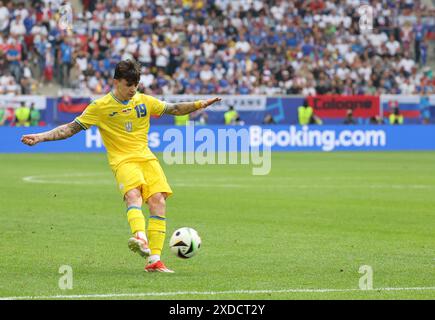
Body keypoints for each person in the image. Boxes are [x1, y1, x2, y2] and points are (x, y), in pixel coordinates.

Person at [21, 60, 222, 273]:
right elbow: (71, 129)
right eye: (128, 84)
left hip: (147, 158)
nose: (133, 89)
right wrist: (41, 137)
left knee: (158, 201)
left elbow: (174, 108)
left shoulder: (143, 100)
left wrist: (200, 104)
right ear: (116, 82)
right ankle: (139, 237)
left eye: (136, 84)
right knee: (133, 195)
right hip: (123, 160)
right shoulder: (100, 107)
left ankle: (154, 260)